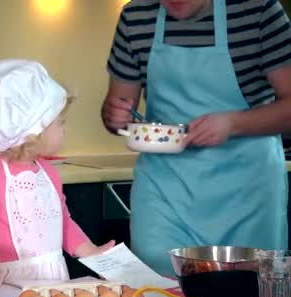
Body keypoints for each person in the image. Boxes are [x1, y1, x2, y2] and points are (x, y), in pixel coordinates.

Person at [102, 0, 291, 276]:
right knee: (158, 293)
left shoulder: (258, 10)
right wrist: (115, 116)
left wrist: (233, 123)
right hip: (165, 190)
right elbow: (119, 106)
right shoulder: (136, 16)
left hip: (248, 193)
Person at [0, 59, 115, 284]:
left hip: (54, 278)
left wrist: (91, 252)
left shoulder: (48, 172)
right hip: (7, 283)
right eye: (60, 123)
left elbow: (63, 222)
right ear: (32, 133)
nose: (65, 130)